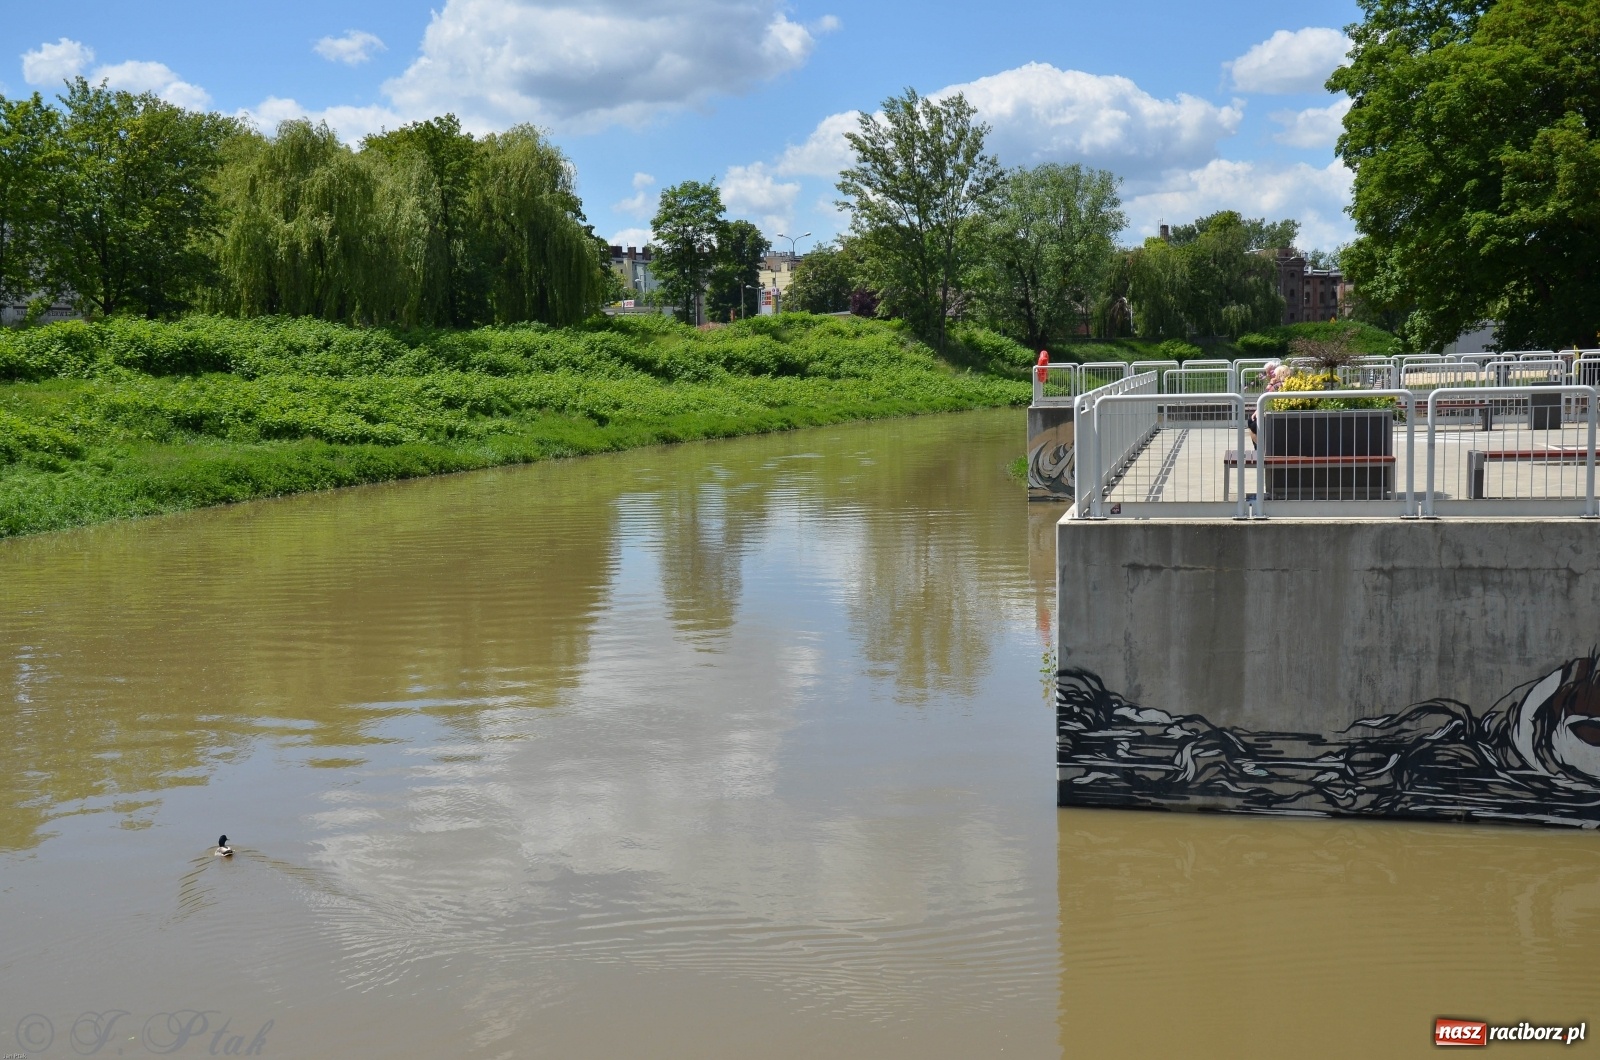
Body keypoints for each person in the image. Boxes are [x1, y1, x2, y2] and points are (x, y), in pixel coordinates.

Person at [1247, 360, 1288, 446]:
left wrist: (1270, 384)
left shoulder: (1278, 385)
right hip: (1271, 413)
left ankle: (1260, 449)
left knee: (1253, 424)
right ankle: (1259, 448)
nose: (1268, 374)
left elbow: (1265, 397)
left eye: (1271, 372)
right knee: (1251, 421)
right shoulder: (1278, 383)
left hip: (1274, 416)